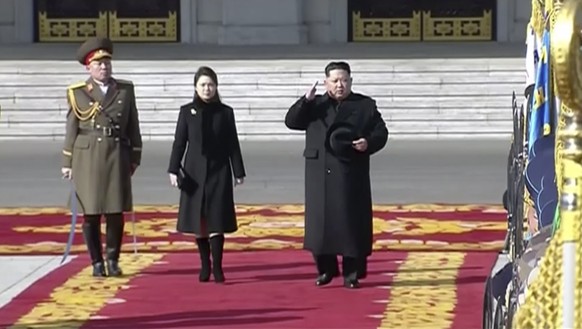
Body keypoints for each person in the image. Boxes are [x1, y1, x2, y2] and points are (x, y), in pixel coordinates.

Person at [284, 61, 388, 289]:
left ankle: (352, 274)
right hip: (319, 172)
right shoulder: (315, 105)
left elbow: (381, 132)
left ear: (350, 81)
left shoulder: (364, 105)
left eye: (344, 80)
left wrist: (368, 142)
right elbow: (291, 122)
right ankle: (326, 270)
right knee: (321, 225)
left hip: (350, 171)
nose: (340, 85)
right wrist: (305, 100)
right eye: (335, 81)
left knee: (352, 223)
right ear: (326, 82)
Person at [60, 37, 143, 277]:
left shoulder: (125, 90)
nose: (104, 67)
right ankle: (96, 261)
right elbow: (72, 128)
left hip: (116, 153)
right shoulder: (78, 93)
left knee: (116, 212)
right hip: (87, 157)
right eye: (98, 64)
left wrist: (135, 155)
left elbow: (133, 125)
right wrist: (67, 162)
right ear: (89, 67)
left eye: (107, 62)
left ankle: (113, 259)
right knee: (92, 213)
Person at [167, 66, 246, 284]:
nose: (207, 89)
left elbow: (233, 144)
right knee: (198, 221)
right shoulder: (186, 111)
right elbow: (179, 142)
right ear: (195, 87)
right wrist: (173, 168)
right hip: (193, 173)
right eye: (203, 85)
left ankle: (218, 268)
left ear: (216, 87)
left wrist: (238, 171)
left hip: (219, 172)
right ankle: (205, 266)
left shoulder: (225, 112)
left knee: (216, 220)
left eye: (210, 84)